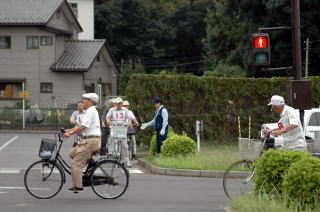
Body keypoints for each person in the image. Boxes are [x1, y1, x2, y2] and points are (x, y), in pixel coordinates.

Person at [64, 93, 101, 193]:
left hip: (90, 141)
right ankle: (88, 165)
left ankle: (78, 186)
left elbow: (83, 126)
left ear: (89, 101)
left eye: (84, 100)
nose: (82, 102)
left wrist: (71, 133)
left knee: (76, 164)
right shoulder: (90, 111)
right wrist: (69, 130)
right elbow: (81, 125)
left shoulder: (90, 111)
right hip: (88, 140)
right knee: (72, 153)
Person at [106, 97, 132, 167]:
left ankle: (126, 161)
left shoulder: (125, 110)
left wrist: (129, 122)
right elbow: (108, 117)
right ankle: (110, 151)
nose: (119, 104)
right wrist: (108, 121)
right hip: (114, 126)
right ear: (116, 104)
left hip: (123, 127)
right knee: (112, 136)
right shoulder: (112, 110)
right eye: (117, 103)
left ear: (122, 103)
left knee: (125, 145)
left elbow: (129, 117)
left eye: (120, 103)